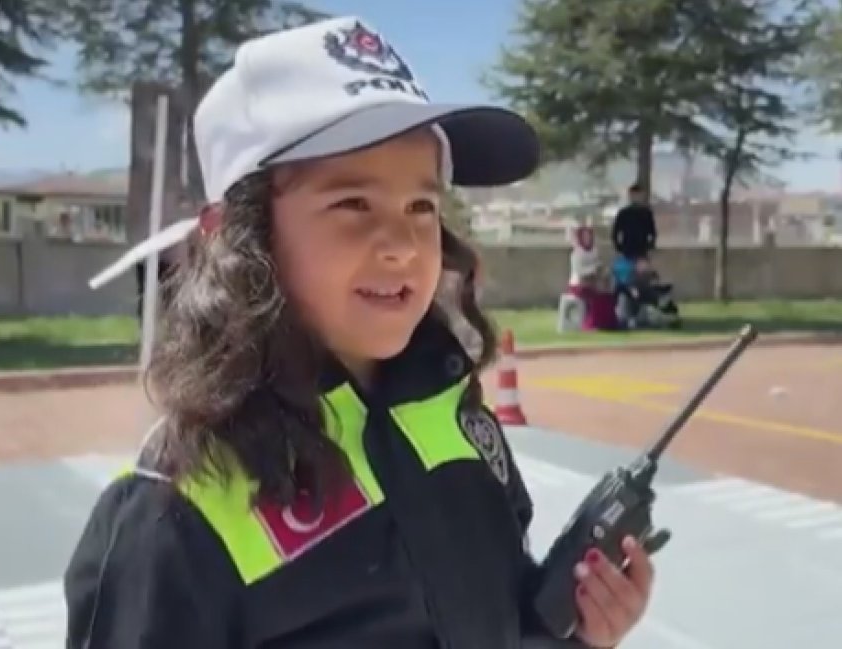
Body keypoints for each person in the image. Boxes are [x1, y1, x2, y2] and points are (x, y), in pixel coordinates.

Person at [65, 16, 655, 649]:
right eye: (352, 204)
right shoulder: (175, 514)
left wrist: (575, 632)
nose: (401, 245)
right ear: (234, 234)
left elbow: (503, 617)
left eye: (421, 207)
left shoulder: (453, 416)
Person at [611, 183, 657, 262]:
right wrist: (619, 248)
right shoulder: (623, 213)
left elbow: (653, 232)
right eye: (633, 195)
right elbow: (615, 232)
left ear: (642, 196)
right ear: (630, 196)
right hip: (627, 252)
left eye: (638, 195)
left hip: (642, 252)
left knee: (643, 274)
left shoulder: (647, 213)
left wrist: (649, 247)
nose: (636, 197)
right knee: (627, 273)